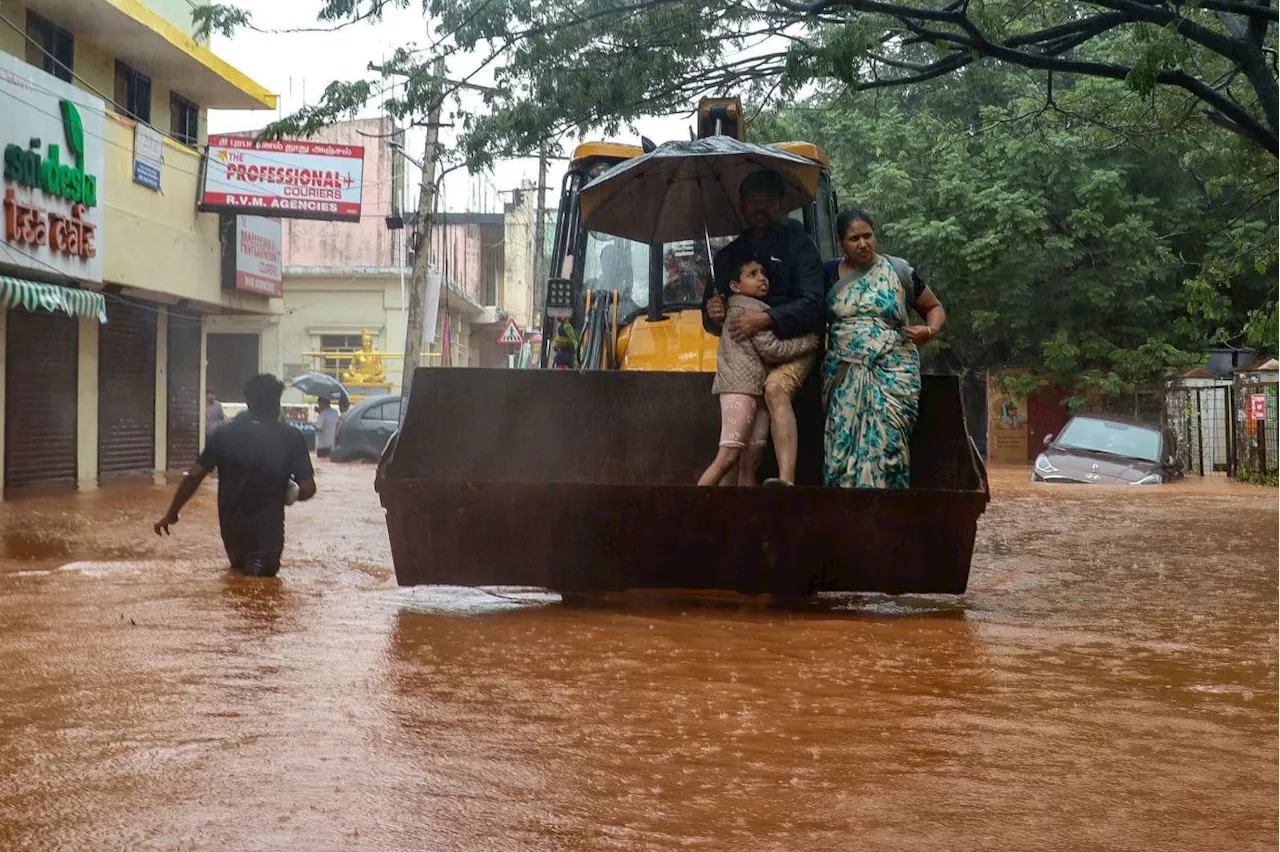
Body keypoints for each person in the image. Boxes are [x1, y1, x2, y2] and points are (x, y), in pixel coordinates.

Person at [702, 168, 825, 487]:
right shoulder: (729, 256)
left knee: (775, 387)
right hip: (749, 357)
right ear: (741, 206)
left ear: (782, 204)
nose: (760, 208)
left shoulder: (800, 245)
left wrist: (767, 319)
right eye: (752, 201)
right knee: (741, 447)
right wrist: (712, 311)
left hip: (794, 343)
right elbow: (714, 315)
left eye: (767, 201)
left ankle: (786, 483)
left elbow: (814, 302)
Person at [822, 208, 946, 490]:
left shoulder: (899, 271)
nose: (863, 243)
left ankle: (889, 513)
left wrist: (929, 331)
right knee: (842, 443)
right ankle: (844, 515)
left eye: (867, 235)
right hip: (845, 372)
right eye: (854, 238)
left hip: (894, 371)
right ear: (842, 242)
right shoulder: (828, 274)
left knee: (889, 443)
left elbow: (934, 308)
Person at [155, 373, 317, 578]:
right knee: (259, 592)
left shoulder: (224, 434)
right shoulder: (290, 437)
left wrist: (172, 513)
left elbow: (194, 476)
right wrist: (291, 494)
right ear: (276, 402)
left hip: (231, 531)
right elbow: (308, 488)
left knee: (239, 582)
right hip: (267, 533)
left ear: (248, 402)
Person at [698, 256, 820, 486]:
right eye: (752, 275)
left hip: (754, 388)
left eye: (762, 273)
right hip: (740, 388)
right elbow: (772, 350)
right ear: (735, 286)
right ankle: (691, 509)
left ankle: (746, 514)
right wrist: (806, 343)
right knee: (728, 456)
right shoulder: (746, 312)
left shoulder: (755, 308)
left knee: (751, 460)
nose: (762, 279)